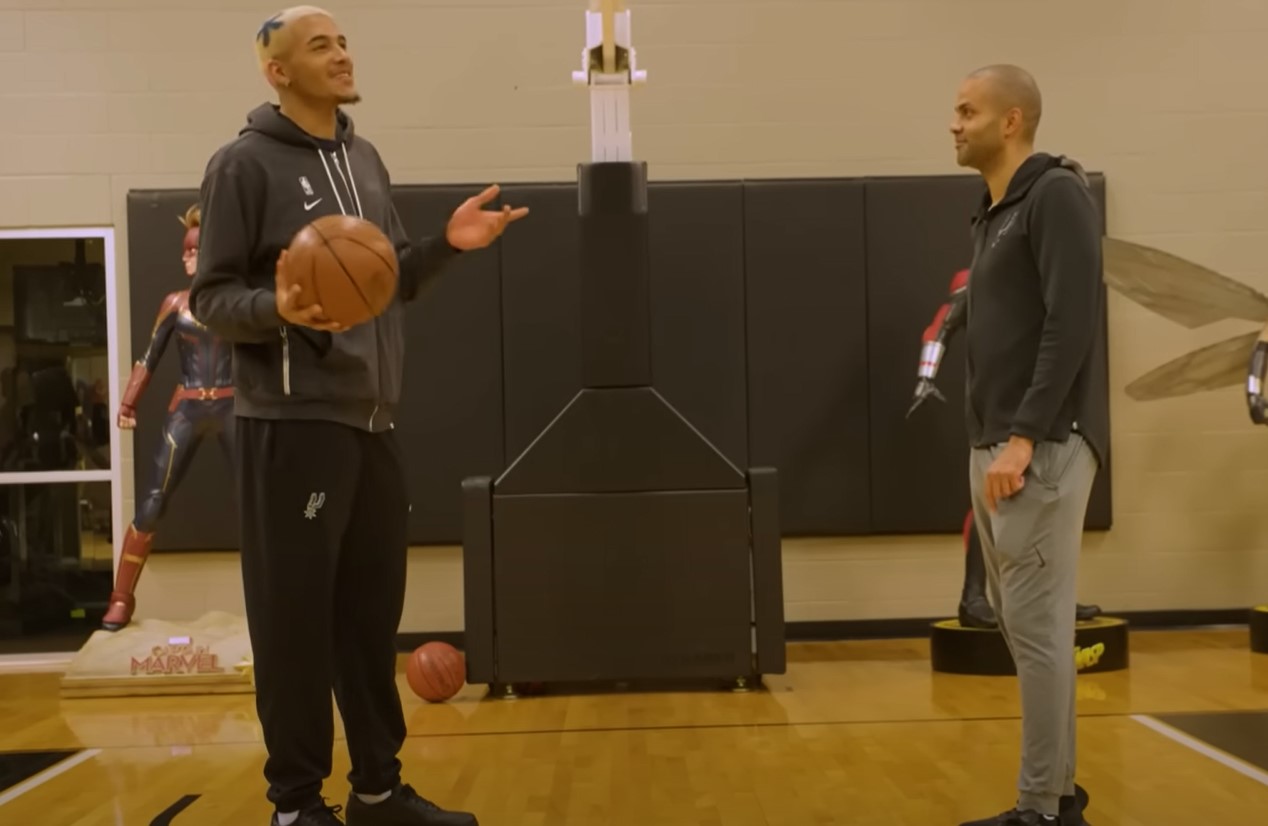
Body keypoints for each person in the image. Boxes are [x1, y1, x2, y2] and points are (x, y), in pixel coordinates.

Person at [189, 6, 527, 825]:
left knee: (369, 621)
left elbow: (387, 278)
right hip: (291, 425)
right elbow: (212, 300)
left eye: (342, 42)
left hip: (371, 424)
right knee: (295, 624)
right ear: (277, 70)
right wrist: (283, 306)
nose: (341, 56)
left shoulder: (364, 158)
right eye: (319, 46)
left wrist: (447, 242)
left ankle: (378, 790)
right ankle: (295, 805)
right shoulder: (242, 165)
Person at [949, 64, 1104, 826]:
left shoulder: (1055, 196)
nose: (955, 123)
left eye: (967, 111)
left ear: (1011, 121)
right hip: (1000, 448)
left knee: (1040, 639)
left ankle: (1039, 809)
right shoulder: (993, 211)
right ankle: (1060, 794)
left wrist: (1020, 439)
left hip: (1035, 451)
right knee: (1027, 636)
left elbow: (1069, 327)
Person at [906, 269, 1102, 630]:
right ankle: (973, 595)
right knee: (995, 502)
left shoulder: (1049, 279)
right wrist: (926, 375)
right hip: (1001, 412)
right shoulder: (982, 275)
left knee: (1051, 511)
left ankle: (1052, 598)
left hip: (1047, 410)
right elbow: (942, 325)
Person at [105, 204, 237, 631]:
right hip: (187, 407)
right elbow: (149, 356)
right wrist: (128, 401)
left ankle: (281, 601)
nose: (186, 257)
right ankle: (121, 599)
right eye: (184, 250)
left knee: (260, 506)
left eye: (195, 250)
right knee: (152, 502)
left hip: (235, 406)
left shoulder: (238, 301)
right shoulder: (175, 304)